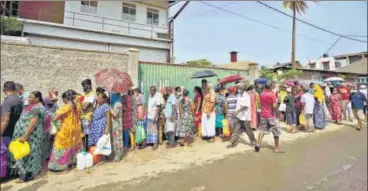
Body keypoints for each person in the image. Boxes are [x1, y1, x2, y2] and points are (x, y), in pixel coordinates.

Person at [8, 91, 46, 182]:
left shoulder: (37, 108)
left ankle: (28, 175)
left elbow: (33, 122)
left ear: (37, 99)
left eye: (31, 97)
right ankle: (23, 173)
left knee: (30, 154)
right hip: (21, 135)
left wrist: (25, 136)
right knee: (21, 153)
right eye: (28, 97)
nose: (28, 98)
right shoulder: (28, 106)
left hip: (30, 136)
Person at [48, 90, 83, 172]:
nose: (63, 101)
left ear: (66, 98)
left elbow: (55, 118)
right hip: (76, 129)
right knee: (73, 145)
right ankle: (72, 162)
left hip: (66, 130)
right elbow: (80, 97)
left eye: (63, 99)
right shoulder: (77, 105)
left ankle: (64, 167)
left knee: (61, 146)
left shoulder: (65, 107)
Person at [254, 81, 281, 153]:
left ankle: (258, 144)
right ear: (271, 87)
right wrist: (277, 113)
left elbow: (261, 104)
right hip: (271, 115)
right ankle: (277, 148)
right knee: (276, 131)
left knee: (262, 130)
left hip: (263, 115)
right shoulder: (272, 94)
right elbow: (274, 106)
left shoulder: (262, 93)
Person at [42, 90, 59, 163]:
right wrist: (52, 94)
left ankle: (50, 156)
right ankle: (46, 157)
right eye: (55, 94)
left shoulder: (55, 104)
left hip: (54, 124)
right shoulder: (46, 100)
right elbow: (54, 99)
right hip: (47, 124)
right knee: (47, 140)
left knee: (52, 140)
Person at [80, 79, 96, 150]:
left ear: (89, 85)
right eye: (83, 86)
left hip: (88, 117)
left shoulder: (92, 94)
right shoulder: (85, 95)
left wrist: (80, 103)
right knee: (83, 135)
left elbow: (84, 107)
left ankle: (88, 150)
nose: (84, 87)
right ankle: (85, 150)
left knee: (88, 135)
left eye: (85, 85)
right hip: (83, 117)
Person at [109, 93, 123, 161]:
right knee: (115, 140)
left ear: (115, 96)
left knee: (117, 140)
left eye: (112, 96)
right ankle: (116, 154)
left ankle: (118, 156)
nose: (111, 97)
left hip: (117, 125)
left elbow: (114, 114)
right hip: (114, 124)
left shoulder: (118, 104)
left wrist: (110, 108)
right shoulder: (114, 103)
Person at [146, 86, 161, 150]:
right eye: (150, 90)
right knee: (150, 130)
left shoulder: (157, 97)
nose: (151, 91)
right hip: (149, 116)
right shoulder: (149, 96)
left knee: (154, 130)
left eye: (153, 90)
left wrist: (155, 116)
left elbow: (158, 108)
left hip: (154, 116)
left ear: (155, 91)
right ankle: (151, 142)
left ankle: (155, 144)